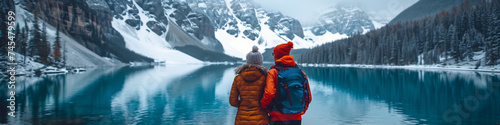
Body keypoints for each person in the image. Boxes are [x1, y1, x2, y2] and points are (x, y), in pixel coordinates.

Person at [260, 41, 312, 125]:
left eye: (274, 54)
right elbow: (308, 96)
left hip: (277, 117)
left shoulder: (273, 72)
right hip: (297, 118)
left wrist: (263, 106)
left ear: (277, 56)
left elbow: (269, 93)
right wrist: (300, 111)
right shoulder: (301, 73)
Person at [230, 46, 270, 125]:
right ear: (260, 62)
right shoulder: (266, 77)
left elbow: (232, 102)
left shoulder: (238, 78)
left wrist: (243, 104)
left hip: (242, 119)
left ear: (247, 61)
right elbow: (269, 97)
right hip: (260, 119)